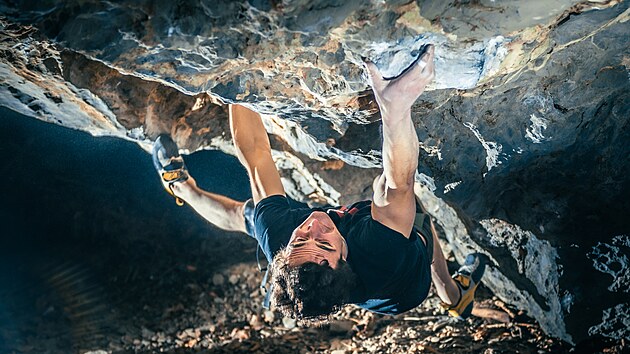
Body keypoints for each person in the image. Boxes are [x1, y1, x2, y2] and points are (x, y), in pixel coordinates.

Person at [152, 44, 485, 321]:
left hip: (316, 260)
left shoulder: (282, 239)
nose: (313, 226)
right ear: (343, 257)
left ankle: (180, 187)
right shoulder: (380, 256)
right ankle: (454, 296)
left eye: (300, 241)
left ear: (284, 254)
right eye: (324, 243)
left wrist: (235, 72)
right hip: (404, 287)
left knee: (251, 215)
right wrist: (395, 109)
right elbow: (397, 185)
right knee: (417, 220)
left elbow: (255, 152)